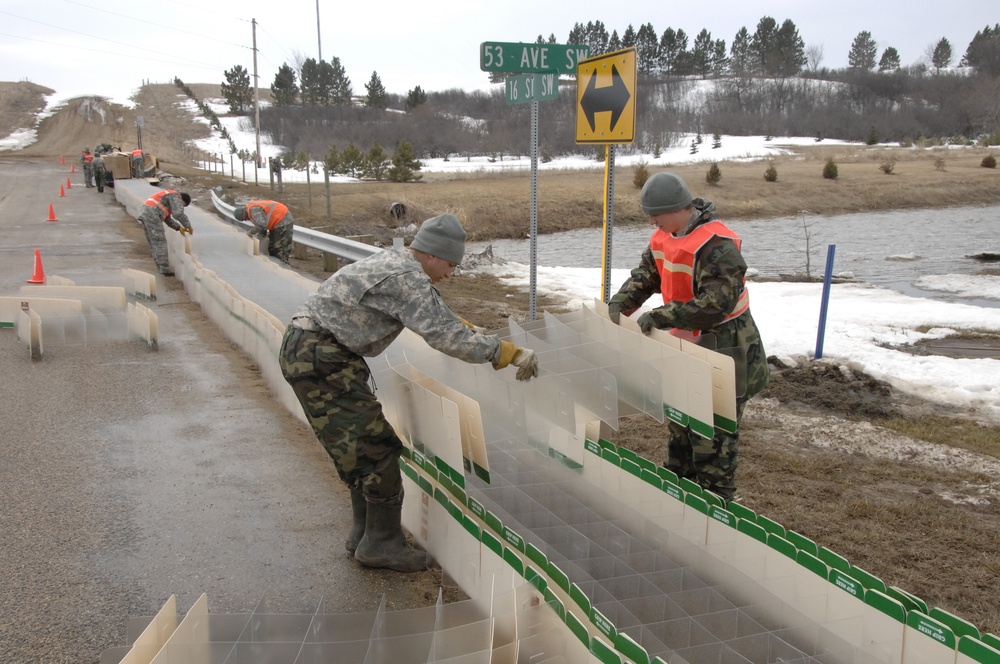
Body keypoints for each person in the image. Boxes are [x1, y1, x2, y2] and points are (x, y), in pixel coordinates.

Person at [278, 213, 539, 572]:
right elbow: (445, 335)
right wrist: (505, 353)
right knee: (377, 450)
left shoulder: (394, 261)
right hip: (323, 359)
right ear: (431, 254)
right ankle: (381, 543)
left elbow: (437, 314)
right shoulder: (408, 280)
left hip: (313, 351)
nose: (450, 273)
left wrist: (474, 330)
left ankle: (364, 533)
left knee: (358, 449)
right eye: (450, 264)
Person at [607, 171, 769, 502]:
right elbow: (647, 275)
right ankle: (677, 491)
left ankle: (717, 503)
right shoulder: (665, 237)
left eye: (656, 214)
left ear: (678, 208)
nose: (652, 221)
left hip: (727, 347)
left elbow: (716, 304)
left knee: (713, 432)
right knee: (680, 422)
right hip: (685, 343)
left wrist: (661, 316)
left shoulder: (718, 245)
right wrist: (620, 305)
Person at [137, 189, 193, 276]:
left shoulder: (167, 199)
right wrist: (187, 225)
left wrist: (178, 228)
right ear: (182, 199)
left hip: (146, 213)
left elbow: (167, 218)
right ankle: (164, 269)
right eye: (183, 205)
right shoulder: (175, 197)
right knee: (160, 242)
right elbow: (178, 214)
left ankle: (160, 267)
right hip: (152, 214)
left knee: (154, 241)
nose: (181, 206)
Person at [234, 199, 294, 264]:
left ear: (243, 213)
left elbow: (262, 224)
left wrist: (250, 232)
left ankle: (283, 268)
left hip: (283, 219)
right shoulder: (251, 212)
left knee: (279, 249)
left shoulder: (253, 210)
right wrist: (255, 244)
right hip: (276, 223)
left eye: (244, 218)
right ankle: (276, 267)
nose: (245, 220)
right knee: (272, 249)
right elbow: (262, 230)